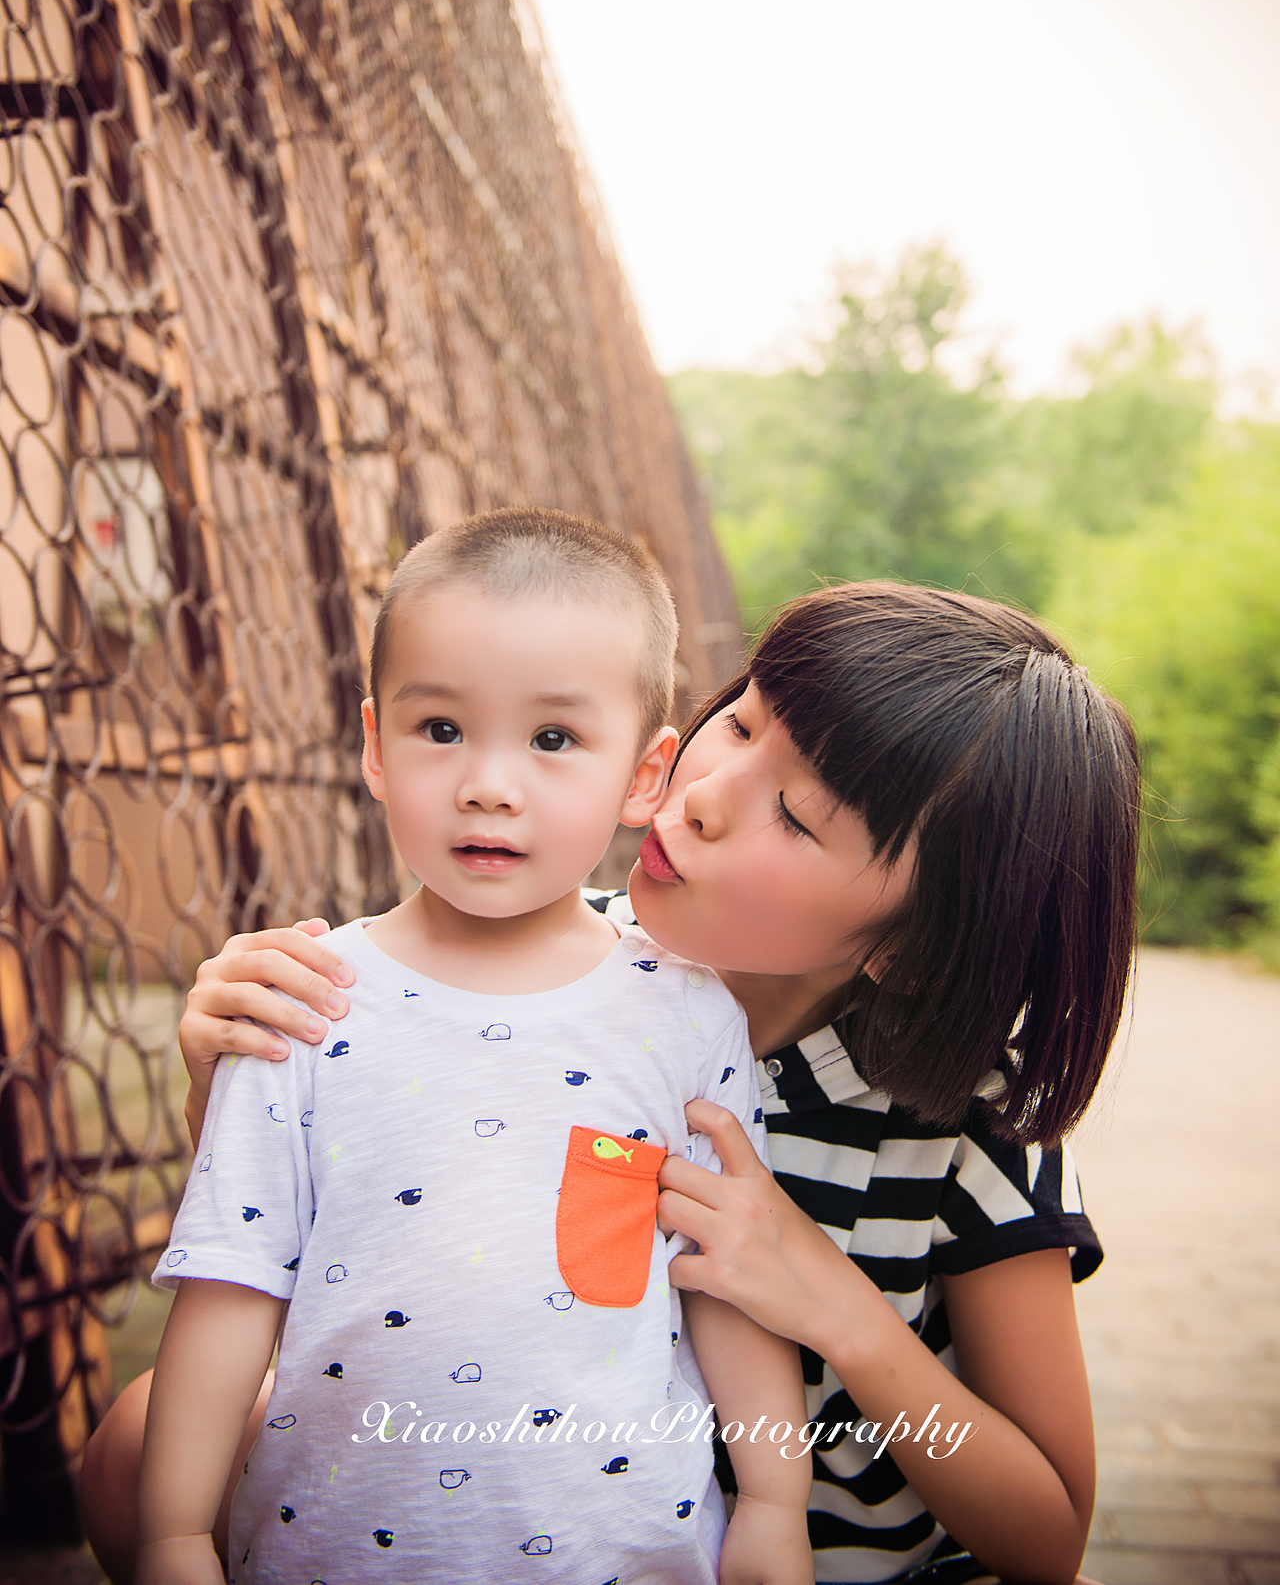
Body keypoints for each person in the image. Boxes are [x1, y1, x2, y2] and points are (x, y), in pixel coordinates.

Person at [82, 576, 1136, 1585]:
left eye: (797, 814)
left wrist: (835, 1308)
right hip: (503, 1507)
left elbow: (1046, 1534)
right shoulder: (531, 959)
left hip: (787, 1555)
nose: (707, 796)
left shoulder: (967, 1125)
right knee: (143, 1440)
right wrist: (230, 1079)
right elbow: (356, 1226)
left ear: (909, 946)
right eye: (739, 722)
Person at [127, 509, 814, 1585]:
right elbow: (230, 1280)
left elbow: (720, 1274)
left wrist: (775, 1499)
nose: (489, 782)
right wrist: (173, 1533)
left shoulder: (684, 1013)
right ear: (372, 746)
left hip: (622, 1547)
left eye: (551, 739)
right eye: (439, 728)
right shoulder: (306, 1002)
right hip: (337, 1549)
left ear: (643, 775)